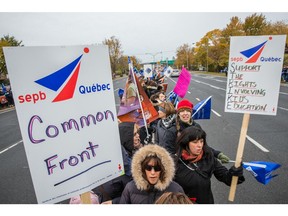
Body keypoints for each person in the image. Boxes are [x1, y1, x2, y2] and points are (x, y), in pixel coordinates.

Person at [174, 126, 245, 204]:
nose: (199, 145)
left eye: (201, 141)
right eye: (195, 142)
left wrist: (234, 172)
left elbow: (225, 177)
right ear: (185, 143)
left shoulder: (208, 157)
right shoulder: (173, 163)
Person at [93, 122, 142, 204]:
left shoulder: (130, 155)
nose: (138, 136)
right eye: (134, 134)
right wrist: (113, 202)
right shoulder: (122, 162)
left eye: (137, 133)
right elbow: (134, 195)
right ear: (126, 137)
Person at [119, 144, 184, 204]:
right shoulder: (130, 188)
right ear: (142, 169)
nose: (152, 172)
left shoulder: (175, 189)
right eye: (148, 168)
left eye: (157, 168)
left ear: (163, 169)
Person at [176, 98, 230, 163]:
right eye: (182, 111)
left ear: (191, 113)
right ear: (178, 114)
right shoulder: (173, 129)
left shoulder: (196, 127)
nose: (185, 113)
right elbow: (168, 151)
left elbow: (204, 146)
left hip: (196, 161)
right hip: (180, 163)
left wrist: (218, 154)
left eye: (188, 111)